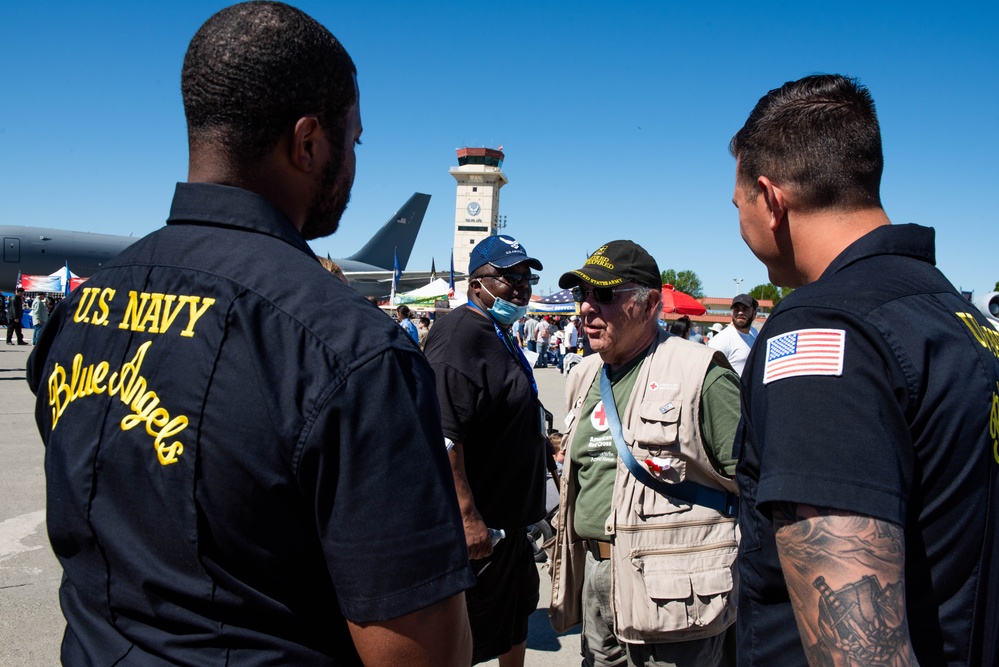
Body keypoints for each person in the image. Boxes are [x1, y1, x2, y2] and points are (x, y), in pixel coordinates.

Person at [26, 3, 474, 664]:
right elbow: (419, 652)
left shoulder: (77, 313)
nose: (352, 163)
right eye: (352, 141)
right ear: (308, 142)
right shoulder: (350, 350)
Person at [730, 74, 999, 666]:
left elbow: (859, 649)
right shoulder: (952, 312)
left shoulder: (822, 332)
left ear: (772, 200)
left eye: (739, 204)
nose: (740, 222)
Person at [549, 240, 741, 667]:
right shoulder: (583, 375)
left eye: (604, 295)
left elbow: (753, 482)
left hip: (674, 595)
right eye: (583, 295)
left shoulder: (700, 373)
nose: (586, 308)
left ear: (650, 302)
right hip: (598, 580)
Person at [424, 234, 550, 666]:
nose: (520, 286)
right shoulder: (459, 333)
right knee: (468, 637)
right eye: (507, 276)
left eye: (525, 276)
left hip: (514, 522)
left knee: (514, 620)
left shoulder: (500, 331)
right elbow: (443, 435)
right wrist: (467, 516)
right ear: (476, 283)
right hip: (484, 529)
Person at [708, 294, 758, 376]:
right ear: (732, 312)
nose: (740, 312)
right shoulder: (721, 340)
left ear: (754, 314)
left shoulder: (754, 336)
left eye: (745, 309)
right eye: (736, 309)